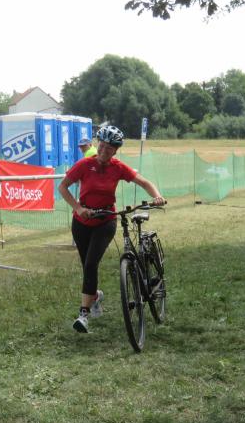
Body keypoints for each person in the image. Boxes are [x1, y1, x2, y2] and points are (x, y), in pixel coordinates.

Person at [58, 125, 165, 333]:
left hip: (106, 220)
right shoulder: (84, 165)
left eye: (109, 148)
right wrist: (78, 208)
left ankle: (83, 315)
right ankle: (95, 296)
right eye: (102, 145)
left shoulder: (118, 167)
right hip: (81, 222)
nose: (103, 150)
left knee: (91, 263)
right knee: (88, 267)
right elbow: (62, 187)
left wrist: (157, 196)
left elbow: (144, 182)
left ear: (116, 150)